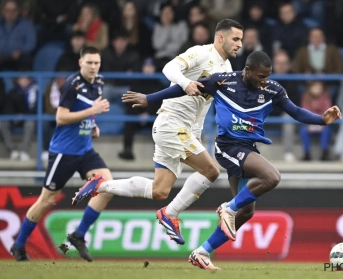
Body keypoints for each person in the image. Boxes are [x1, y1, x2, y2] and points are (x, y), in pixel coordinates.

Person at [118, 51, 342, 269]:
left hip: (248, 148)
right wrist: (150, 98)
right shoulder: (223, 81)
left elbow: (295, 111)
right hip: (227, 147)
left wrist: (321, 120)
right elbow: (185, 88)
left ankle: (202, 252)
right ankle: (227, 208)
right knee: (272, 177)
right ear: (247, 71)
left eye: (268, 76)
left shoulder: (273, 89)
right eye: (261, 76)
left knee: (246, 211)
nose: (265, 80)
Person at [71, 19, 244, 246]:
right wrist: (184, 83)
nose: (239, 44)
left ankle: (99, 185)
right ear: (221, 37)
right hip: (172, 124)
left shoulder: (226, 69)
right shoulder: (202, 53)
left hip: (182, 129)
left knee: (159, 190)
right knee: (211, 171)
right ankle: (169, 215)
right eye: (236, 38)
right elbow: (169, 68)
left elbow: (203, 108)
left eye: (240, 39)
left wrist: (197, 134)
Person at [10, 46, 112, 262]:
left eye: (96, 63)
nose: (93, 67)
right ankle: (18, 245)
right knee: (47, 200)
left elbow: (86, 113)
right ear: (80, 63)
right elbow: (61, 117)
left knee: (106, 187)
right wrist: (92, 112)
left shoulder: (99, 82)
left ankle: (78, 235)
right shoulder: (71, 85)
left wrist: (92, 125)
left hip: (85, 150)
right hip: (64, 152)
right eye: (89, 63)